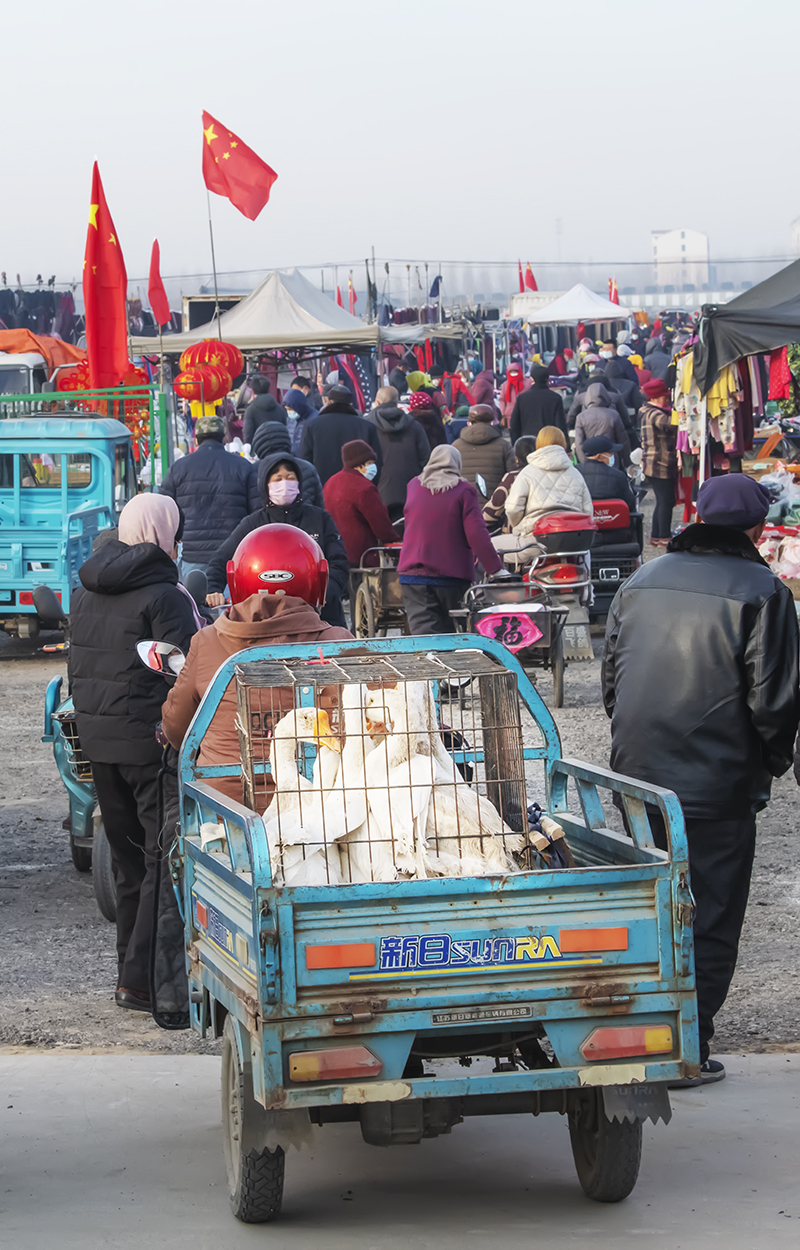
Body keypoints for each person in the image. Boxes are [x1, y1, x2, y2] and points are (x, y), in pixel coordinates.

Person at [603, 474, 800, 1086]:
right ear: (758, 529)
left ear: (695, 516)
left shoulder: (640, 579)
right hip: (715, 784)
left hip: (637, 775)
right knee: (709, 911)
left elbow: (612, 682)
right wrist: (767, 765)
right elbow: (774, 704)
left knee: (653, 904)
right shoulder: (764, 591)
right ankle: (687, 1044)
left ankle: (639, 1032)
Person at [69, 494, 199, 1012]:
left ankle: (129, 971)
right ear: (165, 531)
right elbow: (190, 672)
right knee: (157, 862)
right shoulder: (166, 595)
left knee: (127, 863)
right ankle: (141, 981)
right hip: (151, 746)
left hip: (99, 745)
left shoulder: (84, 590)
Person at [162, 525, 352, 807]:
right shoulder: (338, 643)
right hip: (321, 806)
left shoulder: (206, 642)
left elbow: (176, 729)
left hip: (225, 806)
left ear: (235, 579)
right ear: (319, 580)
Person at [205, 451, 349, 626]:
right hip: (266, 622)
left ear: (299, 482)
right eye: (277, 479)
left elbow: (338, 562)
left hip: (322, 619)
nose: (284, 483)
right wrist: (213, 589)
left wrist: (324, 594)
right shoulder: (252, 524)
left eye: (290, 477)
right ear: (266, 485)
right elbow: (221, 560)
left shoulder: (320, 518)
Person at [398, 445, 506, 633]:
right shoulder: (463, 490)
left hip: (412, 574)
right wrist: (495, 569)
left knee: (423, 634)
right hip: (450, 575)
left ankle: (428, 661)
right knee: (453, 632)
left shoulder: (413, 485)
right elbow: (476, 532)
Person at [158, 415, 260, 579]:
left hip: (192, 554)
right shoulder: (244, 467)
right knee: (229, 604)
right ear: (224, 438)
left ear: (196, 440)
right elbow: (256, 512)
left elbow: (163, 513)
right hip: (233, 555)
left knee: (195, 602)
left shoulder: (178, 469)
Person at [323, 439, 400, 567]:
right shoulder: (364, 488)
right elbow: (381, 525)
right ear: (359, 465)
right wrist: (395, 545)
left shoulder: (331, 482)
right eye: (370, 463)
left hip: (335, 553)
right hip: (361, 556)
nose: (373, 467)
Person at [505, 426, 593, 536]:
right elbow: (588, 510)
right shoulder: (576, 473)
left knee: (497, 546)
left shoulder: (527, 473)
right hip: (573, 538)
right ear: (563, 443)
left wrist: (519, 526)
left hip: (534, 538)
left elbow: (512, 508)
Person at [366, 387, 431, 521]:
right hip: (411, 492)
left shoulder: (366, 425)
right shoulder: (414, 425)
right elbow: (426, 459)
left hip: (376, 492)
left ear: (377, 402)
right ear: (397, 402)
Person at [299, 384, 382, 485]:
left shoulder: (312, 425)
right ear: (350, 403)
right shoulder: (367, 426)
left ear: (328, 401)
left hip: (322, 488)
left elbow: (305, 460)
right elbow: (376, 462)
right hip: (357, 488)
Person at [575, 434, 637, 546]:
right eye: (610, 453)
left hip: (583, 535)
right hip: (616, 536)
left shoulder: (575, 474)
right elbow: (630, 504)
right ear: (599, 456)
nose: (613, 455)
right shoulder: (618, 476)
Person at [250, 420, 324, 507]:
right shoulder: (308, 467)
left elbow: (253, 507)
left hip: (268, 520)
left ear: (258, 446)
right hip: (307, 519)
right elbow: (319, 505)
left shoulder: (255, 470)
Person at [639, 378, 677, 546]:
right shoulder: (654, 414)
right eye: (664, 396)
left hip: (653, 463)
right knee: (666, 501)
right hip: (659, 463)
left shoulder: (648, 411)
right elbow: (670, 425)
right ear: (654, 398)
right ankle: (664, 536)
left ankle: (656, 535)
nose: (667, 399)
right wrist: (681, 414)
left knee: (661, 500)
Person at [452, 404, 517, 504]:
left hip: (464, 504)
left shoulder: (456, 446)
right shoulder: (504, 446)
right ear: (491, 421)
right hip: (495, 507)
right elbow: (512, 477)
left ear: (469, 422)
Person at [482, 435, 537, 532]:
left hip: (518, 536)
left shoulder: (513, 478)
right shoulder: (551, 474)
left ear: (517, 459)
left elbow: (491, 513)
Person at [574, 383, 631, 465]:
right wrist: (627, 461)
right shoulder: (613, 414)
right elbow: (623, 439)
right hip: (610, 456)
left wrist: (584, 462)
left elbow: (579, 443)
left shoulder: (581, 417)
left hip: (591, 457)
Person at [509, 364, 567, 443]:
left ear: (532, 379)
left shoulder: (522, 398)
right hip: (548, 441)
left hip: (527, 441)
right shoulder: (555, 398)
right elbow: (560, 424)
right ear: (547, 379)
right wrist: (565, 446)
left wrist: (516, 443)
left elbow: (514, 423)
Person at [242, 376, 288, 446]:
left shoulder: (250, 410)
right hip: (280, 447)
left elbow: (248, 434)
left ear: (253, 391)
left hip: (259, 450)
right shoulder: (280, 408)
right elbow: (285, 428)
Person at [282, 385, 319, 454]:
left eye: (290, 409)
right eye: (287, 409)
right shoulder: (291, 419)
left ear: (297, 406)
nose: (289, 412)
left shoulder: (314, 419)